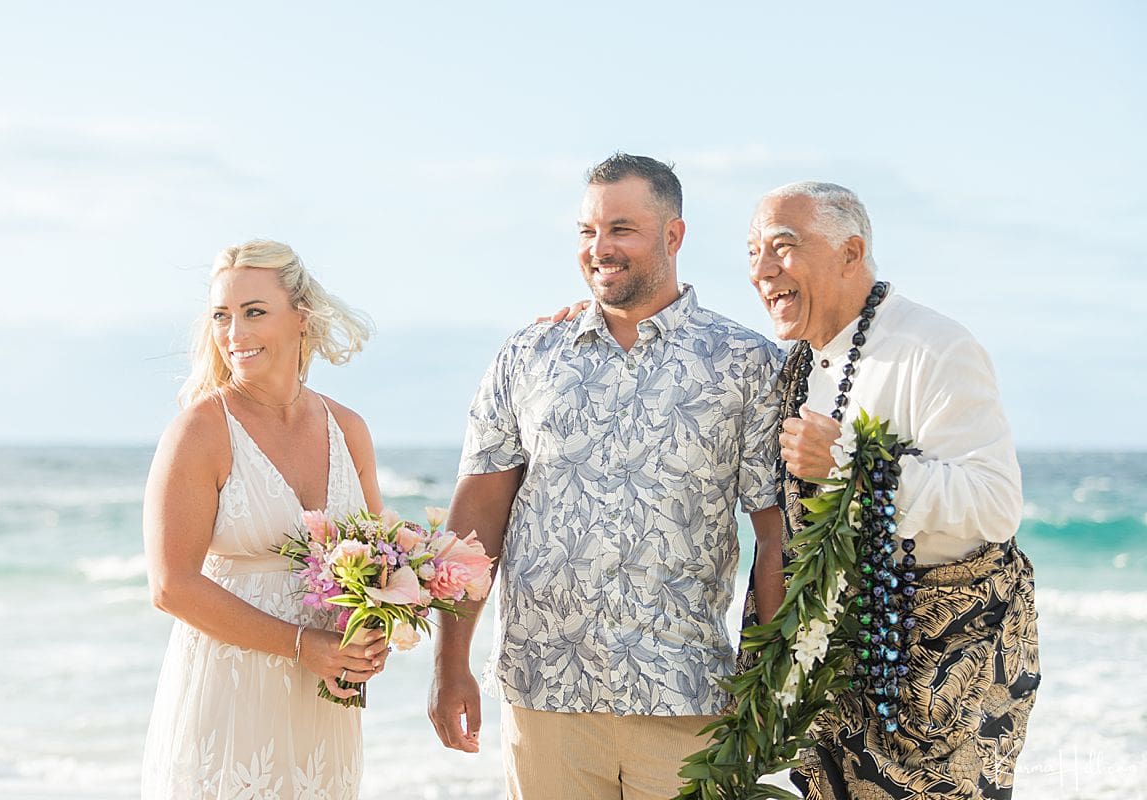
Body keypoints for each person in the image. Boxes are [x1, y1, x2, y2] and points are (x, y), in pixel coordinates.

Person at [427, 153, 787, 799]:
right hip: (544, 693)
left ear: (673, 237)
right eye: (587, 232)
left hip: (687, 695)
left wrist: (770, 684)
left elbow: (774, 535)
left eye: (622, 229)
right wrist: (449, 664)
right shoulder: (528, 355)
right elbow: (478, 515)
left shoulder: (747, 364)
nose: (600, 249)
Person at [741, 182, 1040, 799]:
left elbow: (995, 503)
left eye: (783, 247)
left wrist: (852, 465)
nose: (762, 271)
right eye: (752, 252)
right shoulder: (794, 362)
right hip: (839, 682)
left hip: (942, 683)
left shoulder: (934, 347)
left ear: (851, 253)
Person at [141, 240, 390, 799]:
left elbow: (380, 568)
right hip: (228, 699)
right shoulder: (200, 432)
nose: (235, 334)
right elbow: (170, 586)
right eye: (222, 317)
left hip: (323, 703)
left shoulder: (348, 429)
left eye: (254, 312)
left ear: (302, 317)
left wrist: (375, 633)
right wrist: (302, 645)